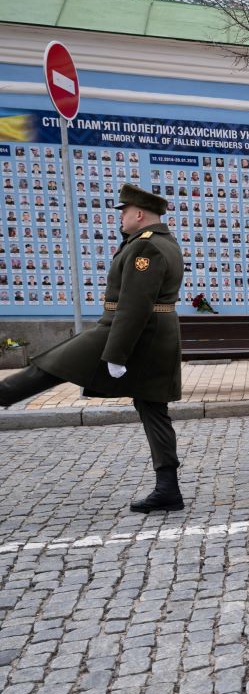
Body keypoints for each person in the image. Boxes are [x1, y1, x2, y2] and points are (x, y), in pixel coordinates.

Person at [0, 184, 187, 512]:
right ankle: (168, 488)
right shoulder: (162, 243)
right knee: (153, 408)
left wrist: (116, 354)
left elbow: (134, 304)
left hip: (127, 332)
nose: (122, 216)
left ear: (139, 213)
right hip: (151, 334)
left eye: (124, 211)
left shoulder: (147, 248)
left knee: (52, 365)